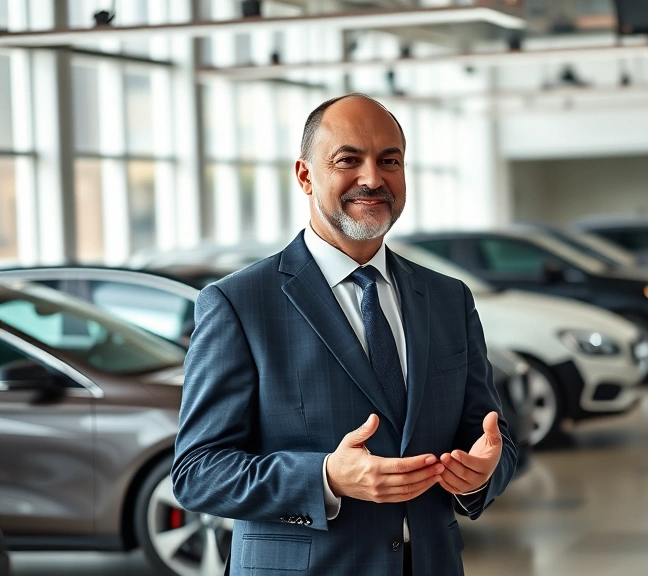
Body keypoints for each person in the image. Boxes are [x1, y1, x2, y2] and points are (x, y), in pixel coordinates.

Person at [171, 94, 517, 575]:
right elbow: (198, 473)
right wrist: (325, 477)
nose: (373, 178)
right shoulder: (239, 303)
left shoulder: (447, 298)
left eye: (389, 161)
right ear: (306, 176)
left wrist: (479, 477)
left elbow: (492, 437)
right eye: (348, 160)